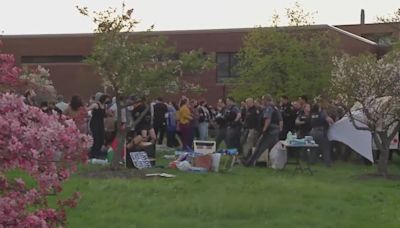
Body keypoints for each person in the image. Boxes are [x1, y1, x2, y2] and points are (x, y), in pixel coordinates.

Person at [245, 94, 282, 166]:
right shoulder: (275, 107)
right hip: (275, 130)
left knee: (260, 146)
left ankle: (250, 162)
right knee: (275, 148)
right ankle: (277, 163)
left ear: (266, 100)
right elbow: (280, 120)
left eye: (263, 99)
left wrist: (264, 129)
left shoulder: (269, 108)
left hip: (270, 130)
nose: (262, 101)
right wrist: (280, 128)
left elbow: (268, 119)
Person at [309, 100, 334, 167]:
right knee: (326, 148)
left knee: (314, 148)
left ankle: (312, 161)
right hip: (321, 132)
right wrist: (333, 122)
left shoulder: (312, 114)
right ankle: (328, 164)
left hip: (312, 132)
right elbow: (329, 120)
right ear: (319, 108)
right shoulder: (322, 113)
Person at [87, 94, 109, 158]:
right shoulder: (96, 105)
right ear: (104, 99)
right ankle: (93, 153)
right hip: (94, 123)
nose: (108, 100)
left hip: (101, 123)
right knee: (96, 138)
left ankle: (97, 152)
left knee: (101, 138)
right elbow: (88, 109)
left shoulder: (104, 105)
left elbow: (105, 114)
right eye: (107, 99)